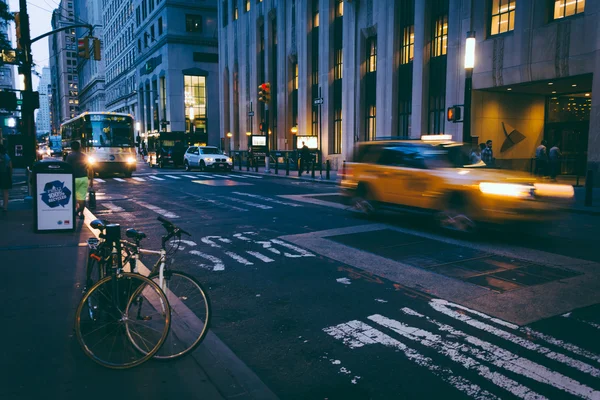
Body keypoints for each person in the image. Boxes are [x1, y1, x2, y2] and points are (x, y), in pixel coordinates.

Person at [66, 141, 93, 219]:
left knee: (73, 196)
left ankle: (75, 211)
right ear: (79, 147)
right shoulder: (85, 156)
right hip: (83, 178)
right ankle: (81, 213)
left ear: (71, 148)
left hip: (73, 178)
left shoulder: (69, 156)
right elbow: (90, 168)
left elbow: (67, 168)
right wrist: (91, 180)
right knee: (82, 197)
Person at [0, 144, 12, 212]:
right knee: (5, 191)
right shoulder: (6, 156)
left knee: (2, 191)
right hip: (5, 174)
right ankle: (5, 206)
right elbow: (10, 166)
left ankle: (3, 205)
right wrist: (10, 175)